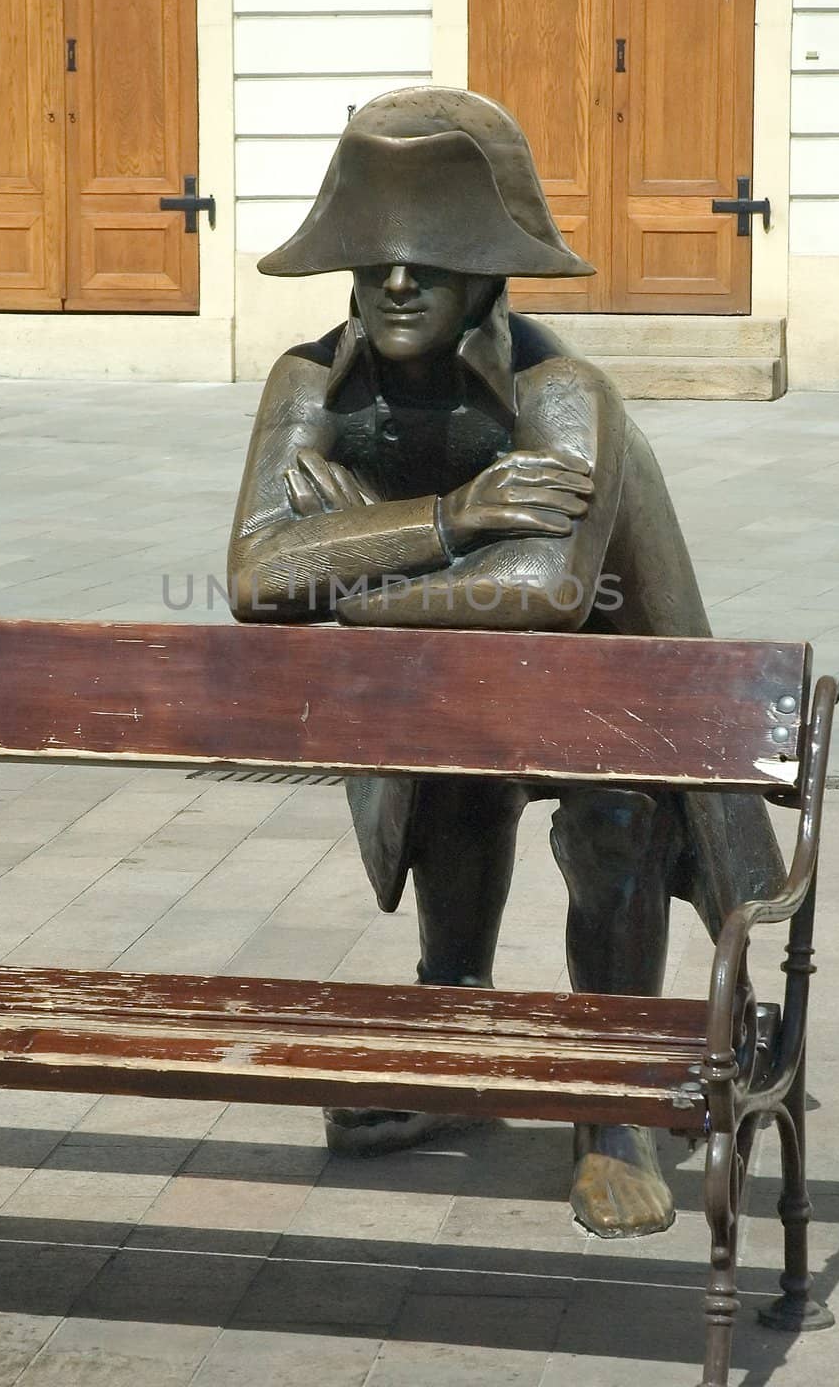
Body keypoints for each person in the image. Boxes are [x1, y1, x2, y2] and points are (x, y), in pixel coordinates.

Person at [227, 87, 784, 1237]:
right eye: (373, 254)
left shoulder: (560, 394)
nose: (394, 281)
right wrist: (454, 516)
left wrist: (341, 571)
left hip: (618, 687)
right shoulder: (308, 384)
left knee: (615, 818)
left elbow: (548, 590)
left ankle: (608, 1106)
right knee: (449, 781)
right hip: (452, 695)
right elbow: (249, 574)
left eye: (431, 259)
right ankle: (454, 1036)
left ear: (488, 275)